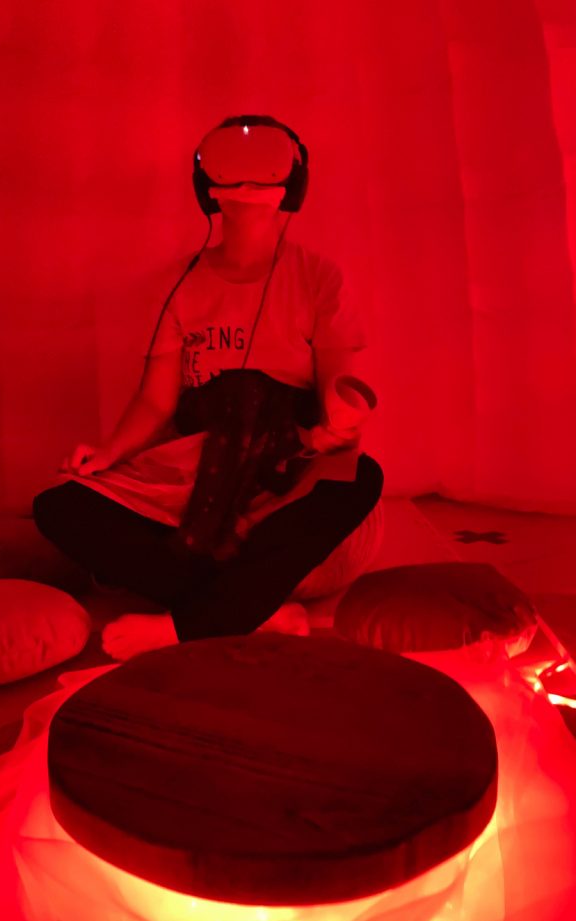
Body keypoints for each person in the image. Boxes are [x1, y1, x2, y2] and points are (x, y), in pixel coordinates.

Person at [32, 115, 383, 660]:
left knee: (362, 479)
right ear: (206, 187)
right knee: (59, 508)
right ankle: (247, 611)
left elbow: (338, 375)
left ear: (292, 184)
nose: (247, 187)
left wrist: (339, 415)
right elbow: (156, 401)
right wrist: (108, 453)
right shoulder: (179, 284)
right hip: (193, 467)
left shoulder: (318, 277)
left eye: (264, 168)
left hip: (285, 458)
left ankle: (191, 623)